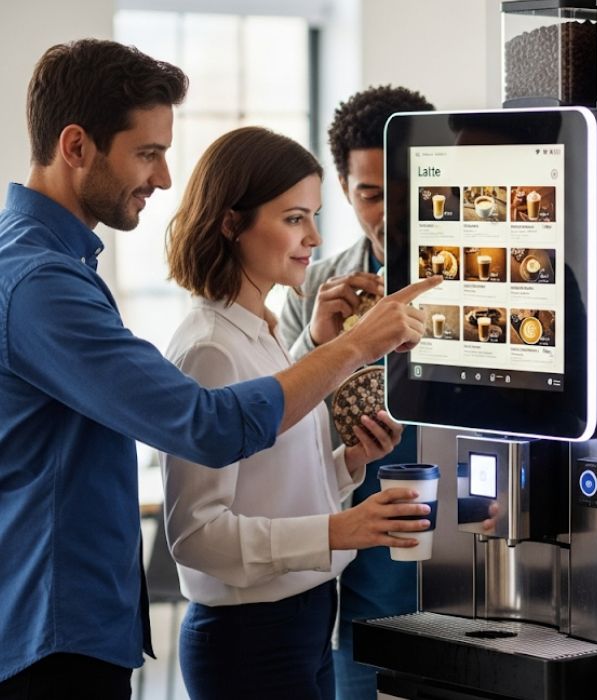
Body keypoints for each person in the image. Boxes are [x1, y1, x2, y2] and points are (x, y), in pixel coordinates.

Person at [0, 40, 437, 699]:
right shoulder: (42, 284)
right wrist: (350, 347)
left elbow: (263, 463)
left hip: (80, 620)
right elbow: (206, 427)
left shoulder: (59, 269)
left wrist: (343, 457)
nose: (164, 177)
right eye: (147, 152)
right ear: (76, 146)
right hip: (57, 625)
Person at [161, 126, 429, 700]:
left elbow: (269, 486)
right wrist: (340, 529)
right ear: (231, 223)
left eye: (313, 215)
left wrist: (349, 463)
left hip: (302, 621)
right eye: (293, 218)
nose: (314, 236)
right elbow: (197, 537)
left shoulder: (264, 333)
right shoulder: (210, 348)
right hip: (250, 639)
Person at [279, 85, 434, 699]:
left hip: (468, 535)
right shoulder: (314, 284)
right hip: (360, 546)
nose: (390, 212)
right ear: (343, 190)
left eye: (406, 192)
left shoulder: (486, 279)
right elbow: (275, 417)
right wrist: (323, 345)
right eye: (371, 194)